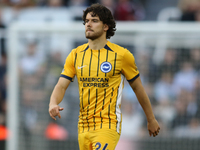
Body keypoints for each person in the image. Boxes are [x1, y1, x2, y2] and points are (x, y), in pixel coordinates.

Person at [49, 3, 160, 150]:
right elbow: (61, 85)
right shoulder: (75, 55)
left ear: (105, 26)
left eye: (94, 21)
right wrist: (53, 103)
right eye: (87, 21)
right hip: (83, 126)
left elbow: (138, 88)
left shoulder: (121, 55)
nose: (89, 24)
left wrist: (151, 119)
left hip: (108, 125)